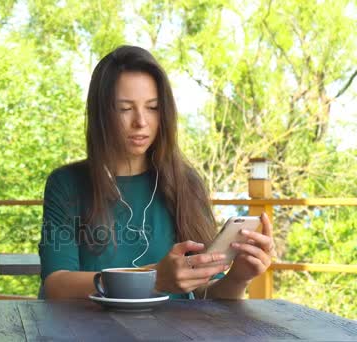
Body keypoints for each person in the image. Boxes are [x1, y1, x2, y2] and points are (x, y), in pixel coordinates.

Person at [39, 45, 274, 300]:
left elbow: (208, 294)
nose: (141, 121)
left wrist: (238, 278)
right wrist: (153, 277)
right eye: (125, 108)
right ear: (101, 114)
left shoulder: (186, 182)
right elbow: (56, 284)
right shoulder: (67, 184)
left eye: (152, 107)